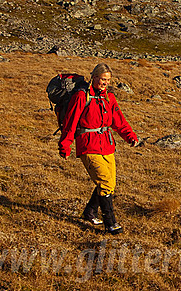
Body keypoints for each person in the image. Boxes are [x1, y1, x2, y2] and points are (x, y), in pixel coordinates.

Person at [59, 63, 138, 234]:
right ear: (93, 77)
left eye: (107, 80)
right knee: (105, 182)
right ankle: (110, 223)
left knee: (110, 183)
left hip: (107, 145)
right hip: (88, 144)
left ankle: (90, 211)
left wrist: (129, 136)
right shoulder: (81, 96)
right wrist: (65, 145)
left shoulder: (109, 97)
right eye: (102, 79)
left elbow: (119, 120)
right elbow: (70, 122)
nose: (105, 83)